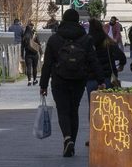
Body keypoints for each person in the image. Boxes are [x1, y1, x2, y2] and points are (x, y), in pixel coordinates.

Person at [40, 8, 104, 157]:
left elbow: (47, 64)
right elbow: (93, 61)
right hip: (79, 79)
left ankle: (67, 138)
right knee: (73, 110)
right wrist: (101, 79)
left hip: (59, 79)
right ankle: (72, 142)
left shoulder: (54, 39)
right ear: (77, 20)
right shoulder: (86, 39)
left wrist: (43, 85)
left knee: (62, 110)